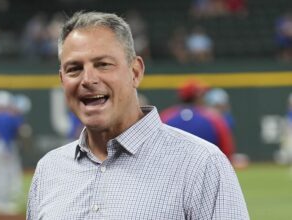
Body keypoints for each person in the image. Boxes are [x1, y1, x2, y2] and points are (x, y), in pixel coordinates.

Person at [27, 11, 249, 219]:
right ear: (62, 80)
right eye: (74, 68)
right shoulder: (49, 170)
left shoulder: (202, 164)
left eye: (103, 64)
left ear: (135, 72)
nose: (88, 79)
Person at [160, 80, 236, 161]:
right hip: (206, 168)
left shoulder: (165, 116)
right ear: (199, 97)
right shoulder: (214, 118)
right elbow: (227, 150)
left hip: (172, 168)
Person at [0, 90, 23, 215]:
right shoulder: (11, 117)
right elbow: (19, 130)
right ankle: (7, 203)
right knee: (8, 174)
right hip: (7, 146)